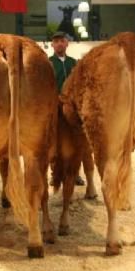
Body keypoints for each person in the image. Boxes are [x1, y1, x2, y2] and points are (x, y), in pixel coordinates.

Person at [49, 31, 85, 186]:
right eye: (56, 41)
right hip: (55, 107)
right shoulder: (48, 62)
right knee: (55, 141)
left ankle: (75, 173)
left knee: (74, 141)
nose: (59, 44)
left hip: (72, 108)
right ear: (52, 45)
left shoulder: (74, 63)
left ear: (67, 43)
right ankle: (54, 173)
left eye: (62, 41)